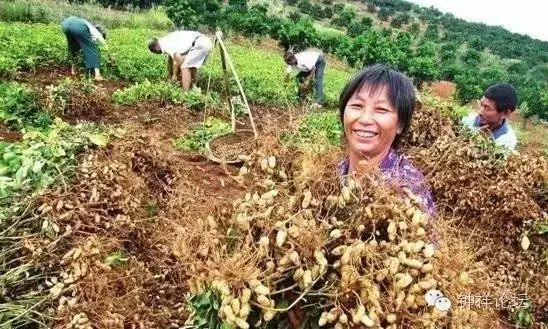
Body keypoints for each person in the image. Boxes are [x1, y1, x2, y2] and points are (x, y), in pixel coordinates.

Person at [337, 64, 436, 218]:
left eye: (381, 110)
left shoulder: (409, 188)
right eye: (357, 106)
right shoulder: (334, 170)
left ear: (401, 124)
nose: (365, 119)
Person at [148, 31, 213, 91]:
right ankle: (194, 88)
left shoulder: (165, 45)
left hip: (200, 44)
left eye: (156, 52)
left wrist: (175, 75)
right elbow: (172, 59)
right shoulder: (166, 40)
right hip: (204, 41)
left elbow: (178, 58)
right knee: (190, 65)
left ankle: (186, 94)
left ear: (156, 48)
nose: (159, 53)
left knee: (185, 67)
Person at [461, 83, 518, 151]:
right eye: (481, 104)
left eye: (487, 108)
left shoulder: (506, 142)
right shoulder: (467, 120)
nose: (480, 112)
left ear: (505, 113)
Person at [61, 16, 106, 81]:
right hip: (76, 26)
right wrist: (110, 54)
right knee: (94, 49)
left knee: (73, 48)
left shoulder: (87, 26)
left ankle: (73, 70)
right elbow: (103, 43)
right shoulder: (96, 32)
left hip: (65, 24)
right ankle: (97, 75)